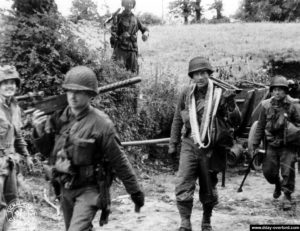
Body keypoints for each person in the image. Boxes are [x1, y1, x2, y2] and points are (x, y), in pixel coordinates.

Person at [31, 66, 145, 231]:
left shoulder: (102, 124)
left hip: (89, 189)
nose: (73, 96)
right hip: (65, 187)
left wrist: (136, 193)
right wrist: (39, 129)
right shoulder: (59, 118)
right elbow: (47, 152)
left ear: (90, 95)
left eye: (79, 92)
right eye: (69, 91)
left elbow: (119, 160)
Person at [168, 57, 241, 231]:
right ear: (191, 76)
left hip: (211, 147)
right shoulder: (186, 93)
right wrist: (173, 143)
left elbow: (236, 121)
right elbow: (178, 119)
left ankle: (206, 221)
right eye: (196, 74)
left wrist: (231, 104)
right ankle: (185, 222)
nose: (200, 77)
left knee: (209, 185)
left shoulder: (219, 93)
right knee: (183, 182)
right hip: (189, 144)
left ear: (209, 74)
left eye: (203, 73)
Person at [252, 75, 300, 211]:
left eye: (281, 90)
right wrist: (255, 144)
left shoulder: (293, 105)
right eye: (275, 90)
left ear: (285, 91)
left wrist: (290, 130)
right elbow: (260, 126)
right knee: (268, 172)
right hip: (271, 144)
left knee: (287, 170)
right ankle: (277, 184)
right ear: (271, 91)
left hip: (287, 144)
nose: (277, 92)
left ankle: (287, 195)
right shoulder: (266, 106)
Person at [0, 65, 33, 229]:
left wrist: (26, 155)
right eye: (4, 82)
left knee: (13, 203)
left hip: (11, 163)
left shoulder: (15, 108)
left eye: (12, 82)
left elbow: (17, 134)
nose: (9, 86)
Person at [110, 0, 149, 74]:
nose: (129, 5)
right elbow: (113, 34)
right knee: (117, 72)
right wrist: (120, 36)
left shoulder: (135, 18)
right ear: (123, 4)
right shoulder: (118, 17)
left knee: (132, 73)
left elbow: (144, 29)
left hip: (132, 50)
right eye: (127, 3)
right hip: (121, 49)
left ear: (133, 5)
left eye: (131, 3)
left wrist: (146, 34)